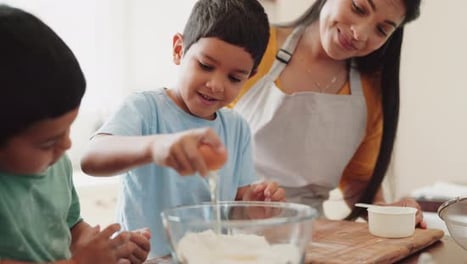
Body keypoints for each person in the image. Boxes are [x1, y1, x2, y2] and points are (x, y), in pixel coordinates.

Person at [80, 0, 285, 258]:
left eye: (234, 78)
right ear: (179, 50)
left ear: (250, 76)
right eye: (206, 66)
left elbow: (233, 209)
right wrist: (155, 147)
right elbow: (91, 158)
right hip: (146, 258)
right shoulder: (145, 109)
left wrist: (254, 205)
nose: (216, 85)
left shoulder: (236, 127)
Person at [231, 0, 426, 227]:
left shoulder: (370, 90)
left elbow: (358, 182)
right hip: (232, 225)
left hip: (309, 235)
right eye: (358, 8)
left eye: (381, 30)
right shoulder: (253, 45)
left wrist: (387, 213)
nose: (359, 33)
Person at [0, 5, 151, 264]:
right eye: (48, 142)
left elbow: (71, 230)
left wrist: (109, 248)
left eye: (68, 129)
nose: (66, 145)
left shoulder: (56, 165)